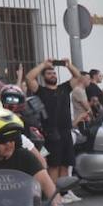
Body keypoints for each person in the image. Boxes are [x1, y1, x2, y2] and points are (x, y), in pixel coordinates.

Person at [26, 59, 82, 189]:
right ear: (44, 77)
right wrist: (43, 65)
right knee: (54, 164)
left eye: (54, 73)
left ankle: (64, 192)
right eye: (49, 73)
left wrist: (68, 65)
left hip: (66, 131)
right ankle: (53, 193)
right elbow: (29, 78)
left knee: (66, 163)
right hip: (51, 133)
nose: (53, 75)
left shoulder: (64, 88)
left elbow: (77, 76)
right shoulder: (41, 91)